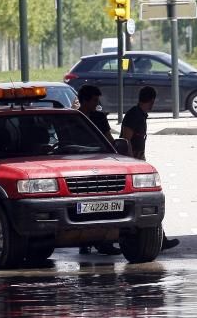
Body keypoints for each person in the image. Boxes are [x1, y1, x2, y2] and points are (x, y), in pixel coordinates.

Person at [121, 86, 180, 251]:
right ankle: (158, 240)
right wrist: (134, 163)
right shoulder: (134, 115)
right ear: (152, 100)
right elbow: (126, 140)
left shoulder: (139, 114)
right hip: (133, 166)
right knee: (148, 202)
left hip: (137, 163)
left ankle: (160, 239)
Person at [75, 84, 121, 256]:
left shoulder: (99, 117)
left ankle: (104, 242)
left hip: (100, 167)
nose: (97, 103)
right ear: (85, 101)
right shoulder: (73, 117)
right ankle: (84, 242)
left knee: (105, 205)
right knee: (83, 207)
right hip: (78, 169)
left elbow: (109, 141)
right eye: (94, 100)